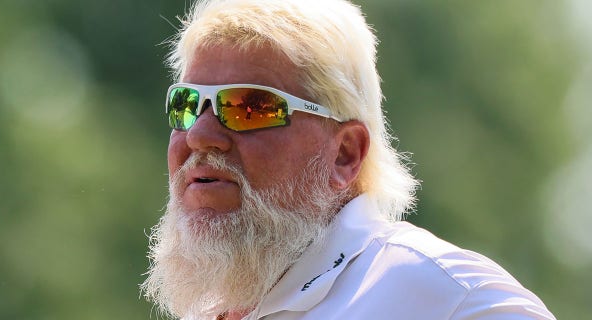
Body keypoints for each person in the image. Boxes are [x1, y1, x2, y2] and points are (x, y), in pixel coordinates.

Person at [142, 0, 556, 319]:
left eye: (250, 106)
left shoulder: (445, 296)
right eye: (187, 104)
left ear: (345, 154)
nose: (198, 135)